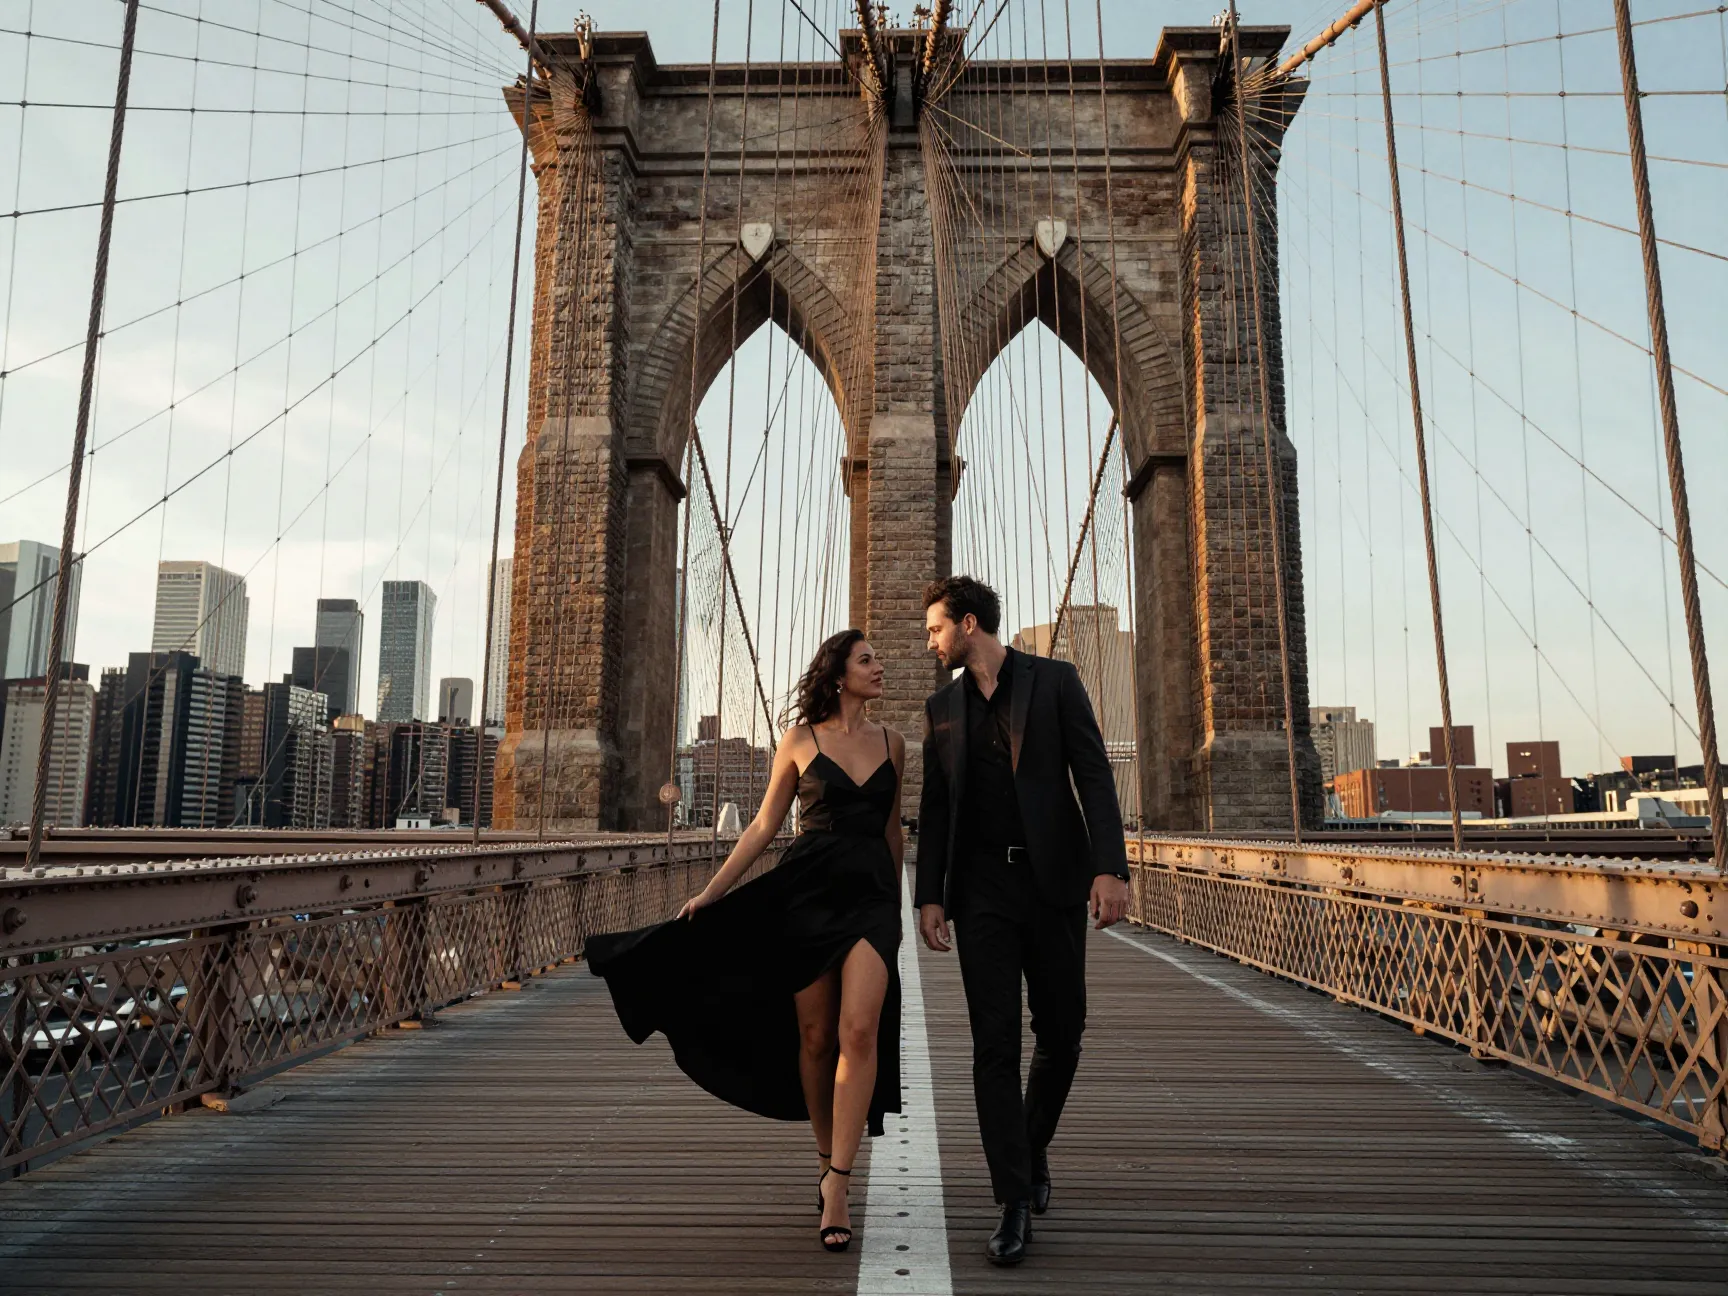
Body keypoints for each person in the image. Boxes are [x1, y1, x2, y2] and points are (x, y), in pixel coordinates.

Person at [586, 630, 905, 1254]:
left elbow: (891, 829)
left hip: (869, 900)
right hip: (807, 895)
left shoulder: (894, 743)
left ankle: (839, 1183)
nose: (880, 665)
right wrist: (711, 891)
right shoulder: (801, 740)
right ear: (838, 674)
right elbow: (763, 825)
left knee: (858, 1031)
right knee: (815, 1038)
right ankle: (823, 1157)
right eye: (868, 659)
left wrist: (900, 909)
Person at [916, 575, 1130, 1266]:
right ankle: (1012, 1198)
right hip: (981, 892)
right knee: (994, 1046)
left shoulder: (1057, 681)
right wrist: (930, 895)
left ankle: (1030, 1148)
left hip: (1055, 884)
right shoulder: (941, 708)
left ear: (968, 623)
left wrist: (1110, 868)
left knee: (1063, 1032)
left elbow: (1093, 776)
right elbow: (937, 806)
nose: (930, 641)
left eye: (935, 629)